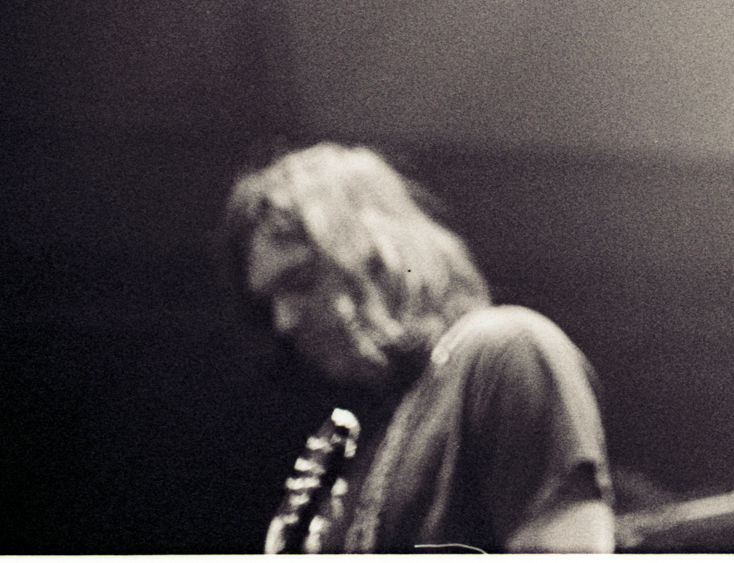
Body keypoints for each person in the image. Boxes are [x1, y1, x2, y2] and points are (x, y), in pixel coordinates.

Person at [219, 142, 616, 553]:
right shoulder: (366, 444)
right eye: (270, 303)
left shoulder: (503, 352)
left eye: (301, 281)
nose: (284, 322)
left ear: (382, 257)